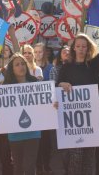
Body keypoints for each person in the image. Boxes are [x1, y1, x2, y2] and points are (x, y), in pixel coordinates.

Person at [58, 12, 99, 175]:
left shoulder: (93, 65)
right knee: (75, 157)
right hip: (73, 121)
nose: (81, 49)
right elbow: (56, 86)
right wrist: (62, 84)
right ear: (74, 48)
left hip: (94, 116)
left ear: (88, 48)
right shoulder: (66, 67)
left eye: (84, 46)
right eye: (78, 46)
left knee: (89, 159)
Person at [0, 53, 41, 175]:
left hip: (33, 133)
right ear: (12, 69)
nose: (21, 66)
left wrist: (53, 105)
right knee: (18, 168)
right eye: (17, 64)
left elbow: (46, 103)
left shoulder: (36, 83)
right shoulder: (6, 87)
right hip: (15, 134)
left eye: (23, 63)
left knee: (30, 167)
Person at [34, 43, 54, 174]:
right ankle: (38, 165)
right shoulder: (30, 68)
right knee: (36, 140)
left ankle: (46, 163)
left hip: (47, 109)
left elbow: (54, 85)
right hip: (34, 110)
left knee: (47, 139)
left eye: (40, 52)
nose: (37, 54)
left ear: (44, 53)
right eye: (35, 52)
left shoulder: (51, 68)